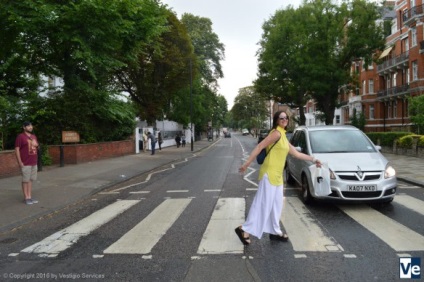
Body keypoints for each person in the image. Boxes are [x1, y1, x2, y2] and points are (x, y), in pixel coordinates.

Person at [236, 111, 322, 245]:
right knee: (263, 204)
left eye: (286, 118)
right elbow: (260, 146)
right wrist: (247, 164)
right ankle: (244, 230)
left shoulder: (283, 135)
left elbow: (296, 154)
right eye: (281, 118)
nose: (284, 120)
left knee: (277, 205)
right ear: (276, 120)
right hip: (269, 174)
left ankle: (274, 232)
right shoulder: (275, 133)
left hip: (277, 176)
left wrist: (314, 159)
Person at [15, 121, 39, 205]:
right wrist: (19, 162)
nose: (31, 127)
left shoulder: (33, 136)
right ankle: (26, 197)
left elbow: (36, 147)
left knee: (31, 180)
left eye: (31, 126)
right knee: (25, 180)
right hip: (25, 162)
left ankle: (30, 196)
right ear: (24, 127)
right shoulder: (20, 137)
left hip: (34, 162)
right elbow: (17, 149)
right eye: (28, 126)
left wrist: (36, 145)